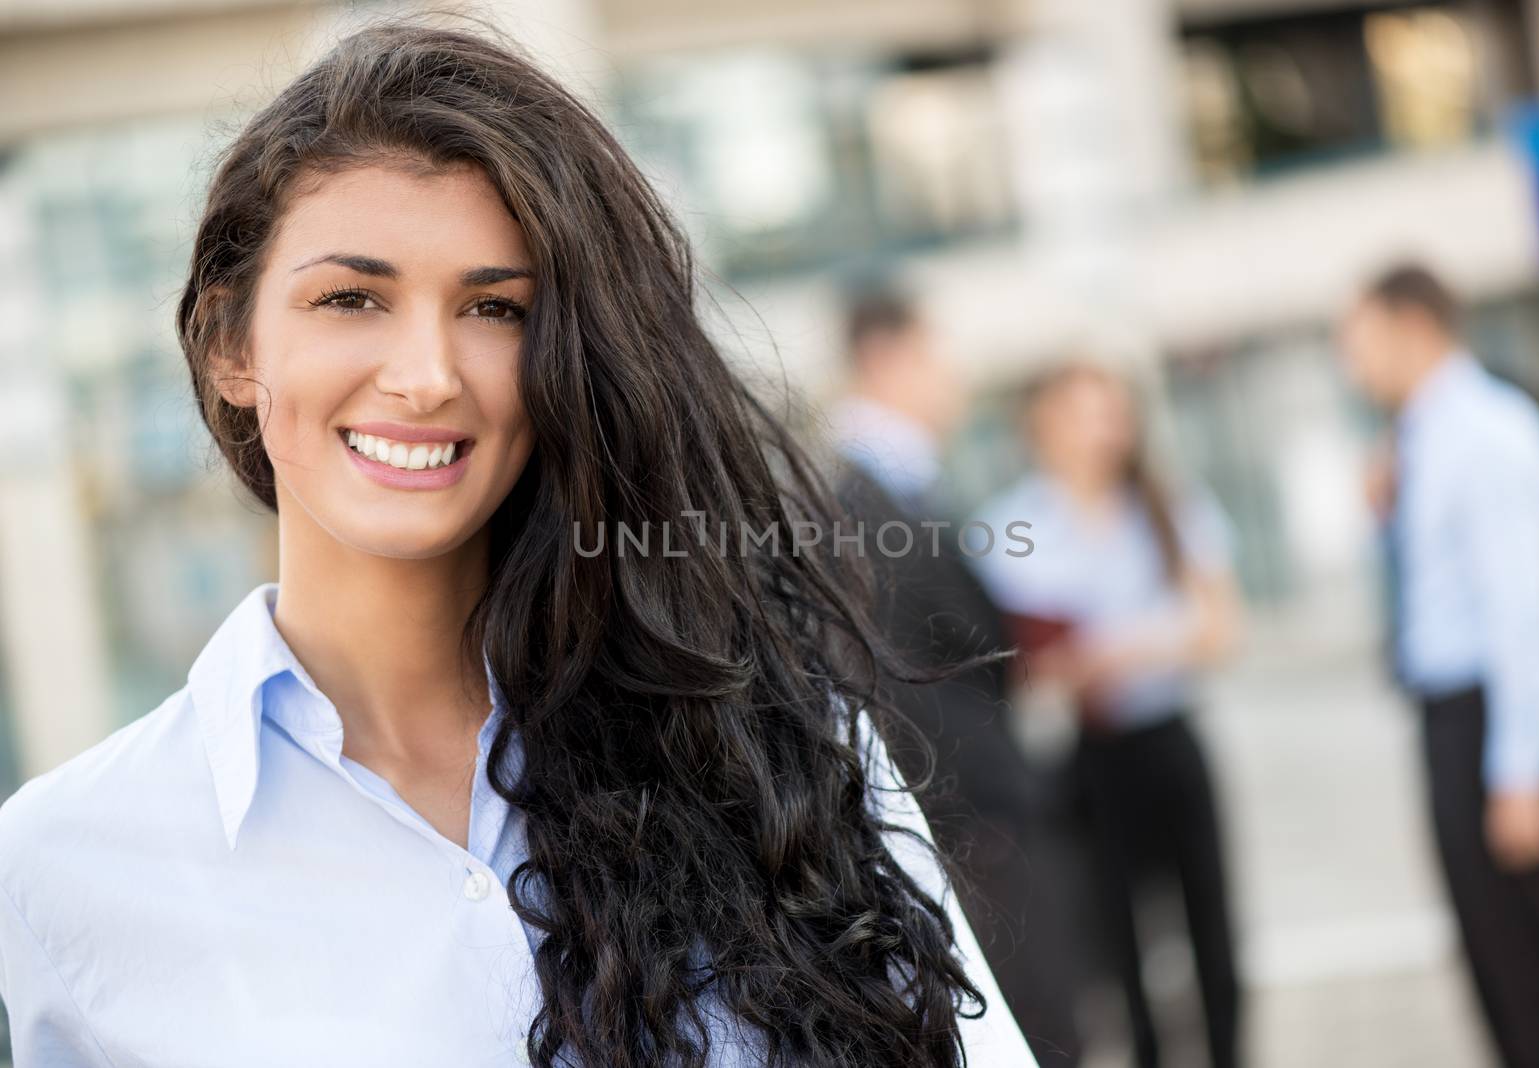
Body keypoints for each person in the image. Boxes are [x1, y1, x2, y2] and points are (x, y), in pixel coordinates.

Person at [0, 19, 1039, 1068]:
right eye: (350, 298)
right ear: (229, 341)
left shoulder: (784, 752)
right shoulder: (66, 867)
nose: (426, 373)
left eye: (495, 308)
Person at [1337, 262, 1539, 1067]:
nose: (1351, 363)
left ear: (1411, 327)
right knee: (1496, 954)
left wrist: (1521, 769)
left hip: (1486, 716)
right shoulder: (1424, 436)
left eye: (1359, 340)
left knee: (1528, 964)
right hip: (1453, 716)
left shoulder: (1483, 432)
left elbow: (1524, 616)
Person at [825, 290, 1082, 1064]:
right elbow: (899, 673)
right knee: (1032, 1031)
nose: (953, 379)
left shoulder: (895, 487)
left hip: (974, 815)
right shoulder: (853, 500)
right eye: (935, 356)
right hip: (964, 821)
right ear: (887, 358)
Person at [971, 360, 1244, 1068]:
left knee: (1212, 934)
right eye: (1085, 413)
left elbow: (1221, 629)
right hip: (1084, 759)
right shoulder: (1010, 527)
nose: (1104, 430)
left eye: (1113, 413)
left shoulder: (1168, 506)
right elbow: (1000, 658)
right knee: (1116, 948)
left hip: (1168, 743)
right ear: (1043, 426)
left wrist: (1113, 653)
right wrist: (1072, 665)